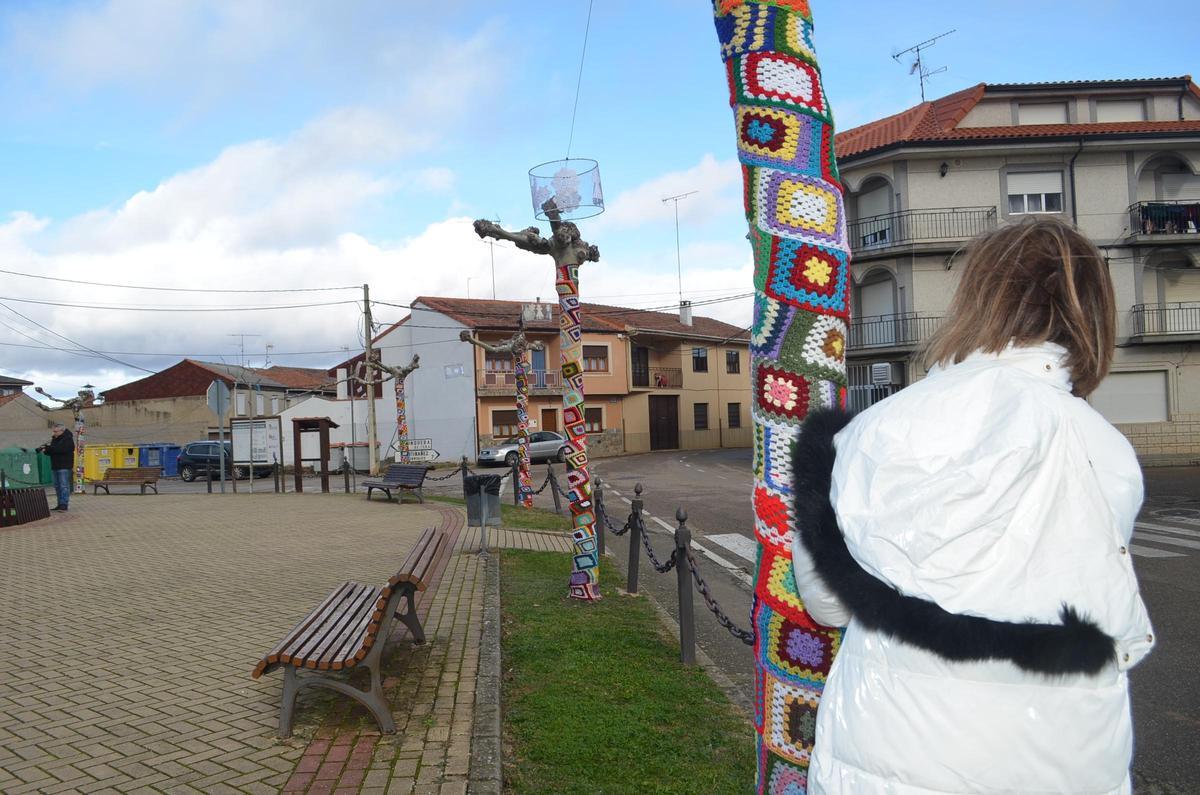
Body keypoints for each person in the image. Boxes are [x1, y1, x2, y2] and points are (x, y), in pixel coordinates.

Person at [790, 216, 1154, 794]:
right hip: (1073, 755)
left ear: (974, 299)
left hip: (893, 749)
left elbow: (828, 603)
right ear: (1093, 314)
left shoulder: (876, 430)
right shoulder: (1105, 448)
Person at [39, 423, 76, 512]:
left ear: (62, 431)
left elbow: (61, 449)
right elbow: (53, 450)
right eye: (53, 431)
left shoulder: (68, 439)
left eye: (56, 431)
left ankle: (64, 504)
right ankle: (59, 504)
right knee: (57, 486)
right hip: (55, 465)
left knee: (63, 486)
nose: (54, 433)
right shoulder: (55, 439)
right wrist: (45, 450)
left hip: (64, 466)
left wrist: (49, 448)